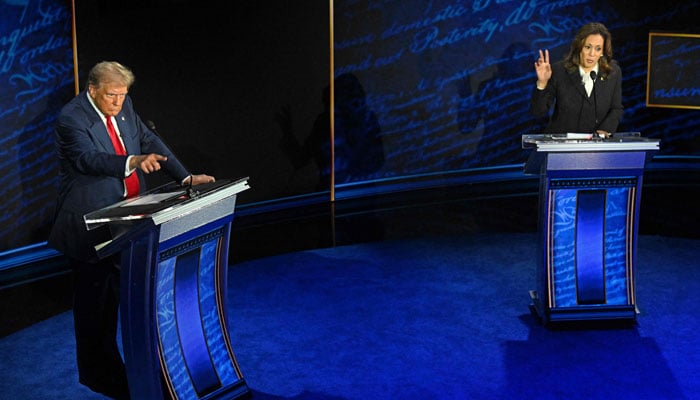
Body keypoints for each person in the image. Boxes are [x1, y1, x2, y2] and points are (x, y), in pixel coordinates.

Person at [48, 61, 215, 399]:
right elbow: (88, 159)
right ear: (93, 89)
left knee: (137, 300)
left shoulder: (125, 105)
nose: (119, 103)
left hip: (130, 222)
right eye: (112, 95)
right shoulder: (72, 118)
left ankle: (149, 377)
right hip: (90, 227)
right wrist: (132, 162)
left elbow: (148, 138)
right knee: (97, 311)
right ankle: (102, 377)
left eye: (124, 95)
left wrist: (183, 177)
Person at [531, 22, 623, 138]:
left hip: (596, 148)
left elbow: (616, 108)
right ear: (579, 47)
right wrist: (542, 83)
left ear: (603, 52)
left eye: (598, 49)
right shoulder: (559, 71)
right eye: (588, 47)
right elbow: (538, 112)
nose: (592, 54)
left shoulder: (613, 72)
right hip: (562, 145)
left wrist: (605, 130)